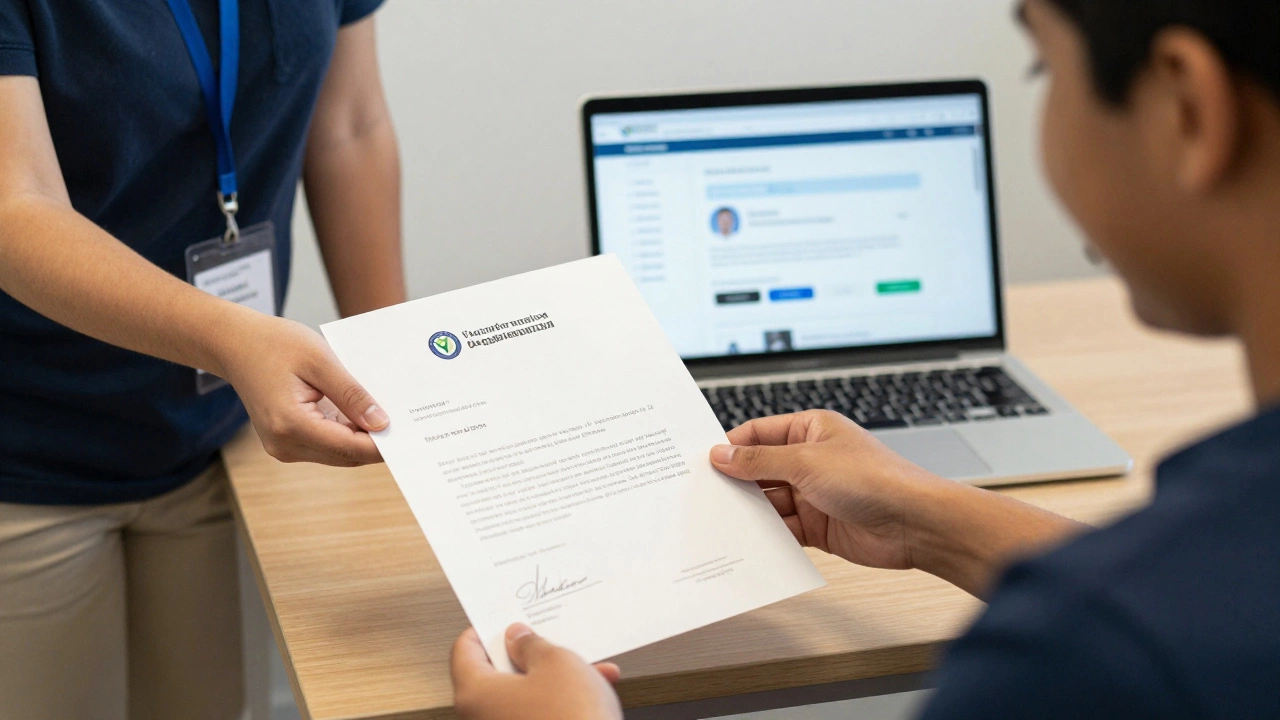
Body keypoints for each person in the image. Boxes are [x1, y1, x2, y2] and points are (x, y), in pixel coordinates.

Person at [449, 0, 1280, 717]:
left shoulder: (1082, 667)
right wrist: (920, 514)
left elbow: (1133, 618)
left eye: (1041, 69)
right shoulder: (1173, 605)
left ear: (1188, 103)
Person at [0, 0, 403, 717]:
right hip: (27, 450)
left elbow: (350, 125)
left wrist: (396, 383)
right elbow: (16, 208)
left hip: (218, 438)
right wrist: (232, 338)